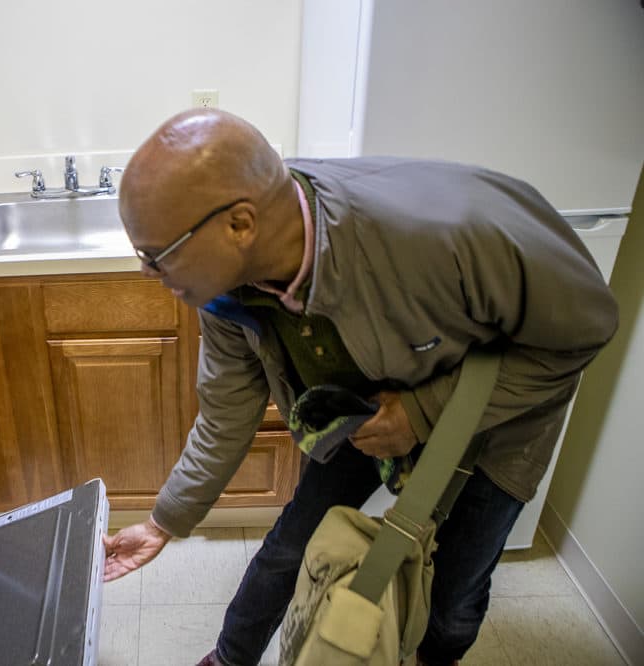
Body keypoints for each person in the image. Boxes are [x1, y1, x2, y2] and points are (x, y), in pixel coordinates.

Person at [102, 109, 618, 666]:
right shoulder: (224, 288)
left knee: (455, 596)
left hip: (498, 423)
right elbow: (226, 414)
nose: (146, 274)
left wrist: (422, 412)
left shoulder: (438, 233)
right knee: (290, 549)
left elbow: (585, 329)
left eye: (154, 255)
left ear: (240, 225)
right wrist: (163, 522)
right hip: (363, 407)